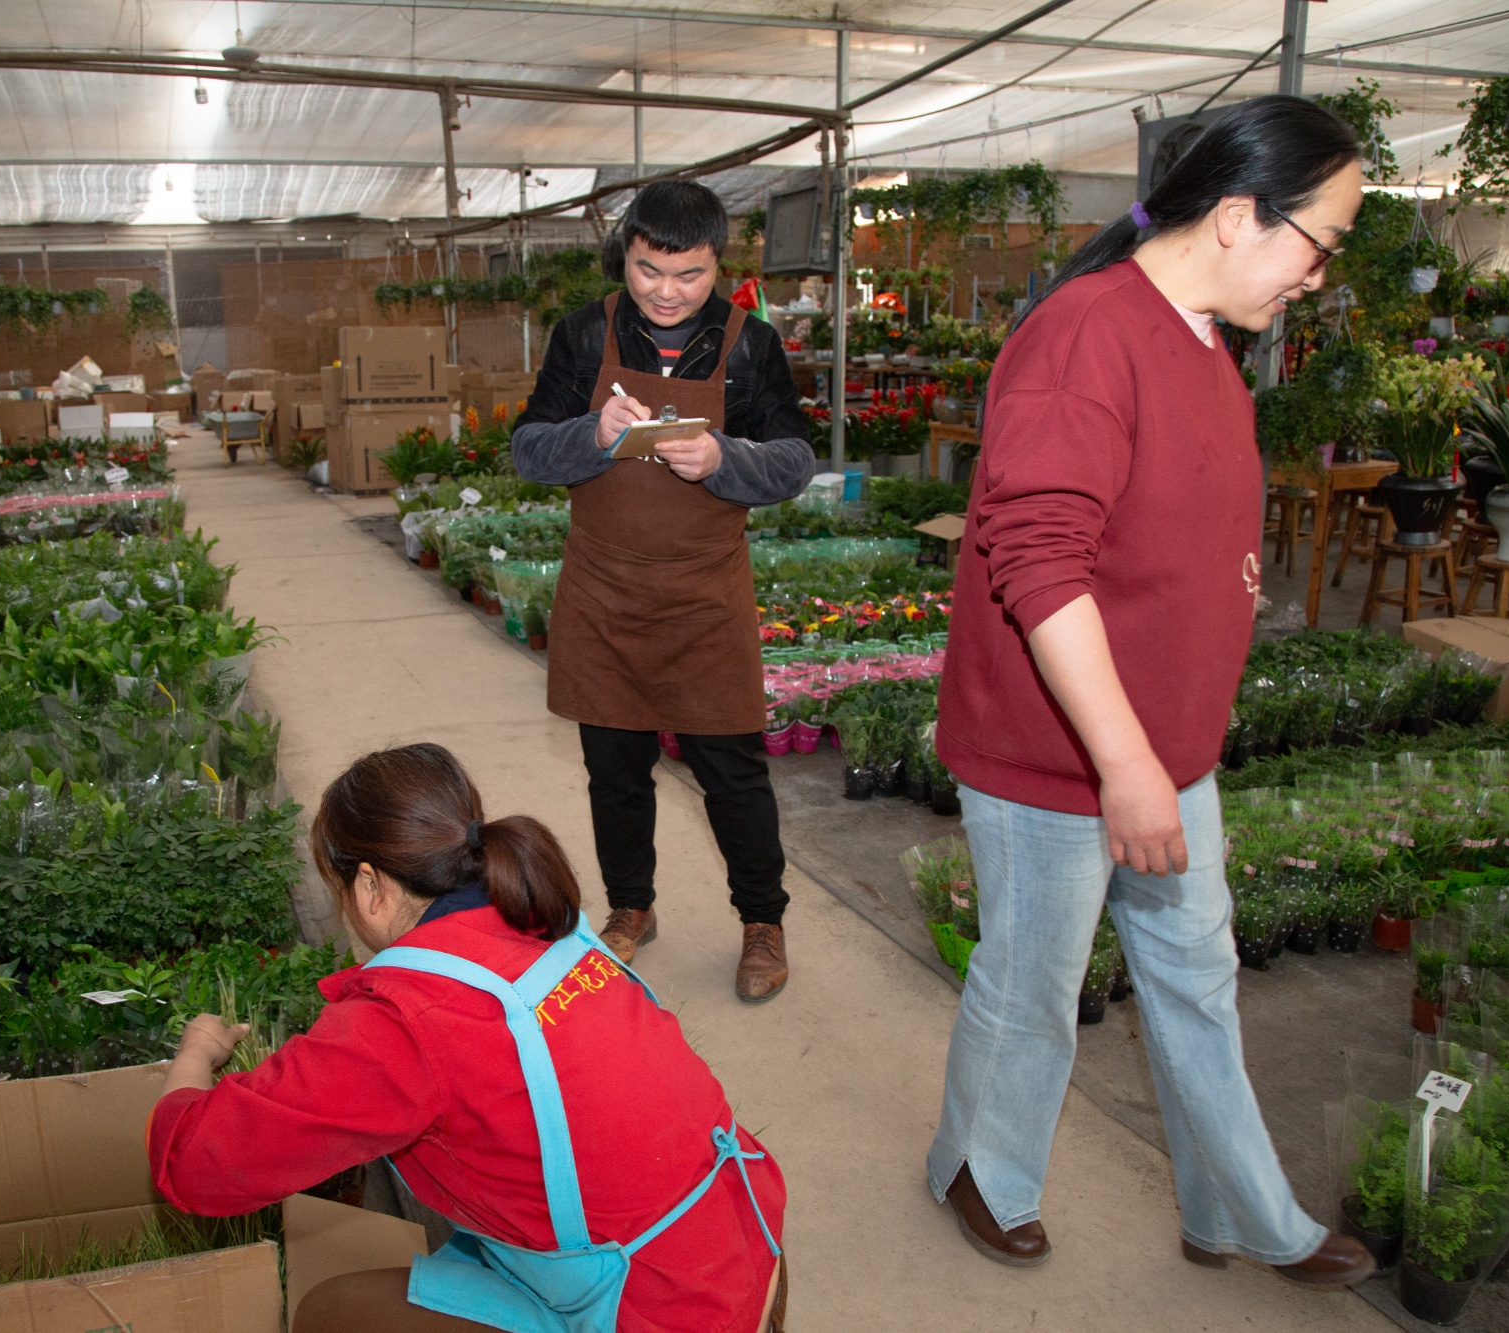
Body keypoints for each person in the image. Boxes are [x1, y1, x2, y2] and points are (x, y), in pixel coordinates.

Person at [923, 95, 1376, 1287]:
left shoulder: (1199, 338)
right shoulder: (1088, 333)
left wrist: (1161, 753)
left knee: (1194, 978)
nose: (1317, 278)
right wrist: (1122, 765)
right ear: (1237, 217)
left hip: (1164, 751)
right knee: (1030, 983)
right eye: (1318, 244)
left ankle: (1234, 1206)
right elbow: (1035, 560)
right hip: (1063, 758)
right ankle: (982, 1168)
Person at [146, 743, 788, 1333]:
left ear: (370, 887)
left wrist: (196, 1055)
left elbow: (194, 1165)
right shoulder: (542, 921)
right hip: (742, 1245)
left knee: (331, 1313)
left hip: (662, 1311)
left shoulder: (404, 1021)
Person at [512, 181, 815, 1002]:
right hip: (604, 591)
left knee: (734, 772)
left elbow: (795, 460)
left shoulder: (750, 346)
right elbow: (528, 448)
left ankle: (762, 919)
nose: (669, 291)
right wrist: (591, 436)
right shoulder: (584, 335)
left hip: (703, 595)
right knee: (614, 770)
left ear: (719, 263)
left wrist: (727, 462)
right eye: (650, 270)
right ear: (627, 255)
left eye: (690, 274)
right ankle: (630, 909)